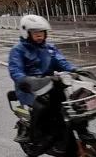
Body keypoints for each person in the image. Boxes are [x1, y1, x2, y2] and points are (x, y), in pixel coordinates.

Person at [8, 14, 78, 147]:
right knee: (43, 106)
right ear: (26, 33)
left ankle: (63, 133)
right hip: (29, 88)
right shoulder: (18, 50)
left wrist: (75, 70)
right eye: (35, 32)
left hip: (49, 83)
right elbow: (15, 70)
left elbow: (61, 61)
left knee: (66, 103)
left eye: (41, 32)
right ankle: (37, 136)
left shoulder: (49, 48)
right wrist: (25, 80)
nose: (39, 35)